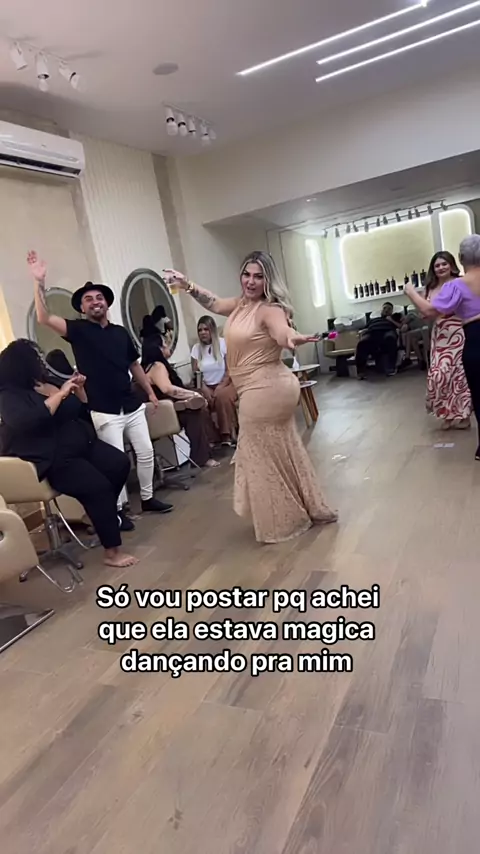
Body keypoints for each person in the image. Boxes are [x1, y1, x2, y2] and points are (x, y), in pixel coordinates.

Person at [163, 251, 337, 543]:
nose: (251, 281)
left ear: (268, 280)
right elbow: (214, 303)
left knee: (259, 456)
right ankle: (304, 506)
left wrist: (290, 337)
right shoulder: (241, 305)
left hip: (267, 387)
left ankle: (283, 520)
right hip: (261, 387)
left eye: (259, 276)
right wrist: (186, 285)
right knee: (280, 449)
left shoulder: (270, 309)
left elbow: (281, 331)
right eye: (247, 274)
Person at [28, 250, 173, 530]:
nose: (95, 302)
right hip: (103, 409)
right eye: (88, 299)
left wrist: (150, 392)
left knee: (145, 452)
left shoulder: (120, 333)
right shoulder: (78, 330)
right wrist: (39, 282)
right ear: (82, 308)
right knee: (115, 462)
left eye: (99, 298)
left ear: (106, 303)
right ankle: (116, 511)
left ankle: (147, 498)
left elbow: (134, 365)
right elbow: (44, 317)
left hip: (130, 403)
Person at [0, 339, 137, 568]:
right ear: (22, 363)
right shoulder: (9, 395)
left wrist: (80, 392)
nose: (41, 361)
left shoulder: (47, 382)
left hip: (84, 445)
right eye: (36, 357)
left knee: (119, 464)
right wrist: (62, 393)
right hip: (55, 458)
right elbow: (28, 421)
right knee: (99, 488)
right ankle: (112, 552)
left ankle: (98, 515)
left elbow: (80, 409)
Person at [406, 235, 480, 459]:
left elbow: (429, 311)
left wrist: (410, 292)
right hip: (447, 338)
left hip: (472, 337)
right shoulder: (443, 286)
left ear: (459, 259)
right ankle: (450, 413)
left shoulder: (457, 286)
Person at [139, 317, 219, 469]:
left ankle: (208, 445)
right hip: (163, 414)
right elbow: (168, 389)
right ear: (158, 349)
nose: (167, 346)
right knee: (195, 412)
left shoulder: (146, 366)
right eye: (164, 344)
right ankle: (202, 456)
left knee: (197, 402)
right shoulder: (157, 366)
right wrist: (193, 395)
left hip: (158, 413)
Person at [423, 251, 471, 430]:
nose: (441, 267)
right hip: (439, 335)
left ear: (451, 265)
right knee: (439, 374)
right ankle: (446, 414)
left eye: (444, 264)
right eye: (437, 265)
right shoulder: (430, 288)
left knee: (459, 376)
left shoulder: (460, 283)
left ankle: (464, 416)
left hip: (458, 333)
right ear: (433, 269)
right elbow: (426, 313)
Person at [191, 315, 237, 444]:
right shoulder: (196, 349)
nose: (203, 333)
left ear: (212, 330)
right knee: (198, 401)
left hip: (226, 383)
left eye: (206, 329)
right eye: (200, 330)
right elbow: (196, 373)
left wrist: (221, 386)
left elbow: (230, 369)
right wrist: (204, 388)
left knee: (222, 397)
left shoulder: (223, 344)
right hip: (206, 386)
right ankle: (211, 437)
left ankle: (227, 435)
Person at [355, 302, 399, 379]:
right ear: (381, 310)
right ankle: (361, 371)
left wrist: (391, 320)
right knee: (362, 343)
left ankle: (390, 368)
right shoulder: (373, 320)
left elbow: (400, 326)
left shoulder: (394, 318)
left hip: (386, 332)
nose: (386, 310)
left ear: (392, 311)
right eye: (384, 308)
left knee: (390, 338)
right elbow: (365, 328)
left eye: (389, 309)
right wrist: (363, 331)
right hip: (372, 333)